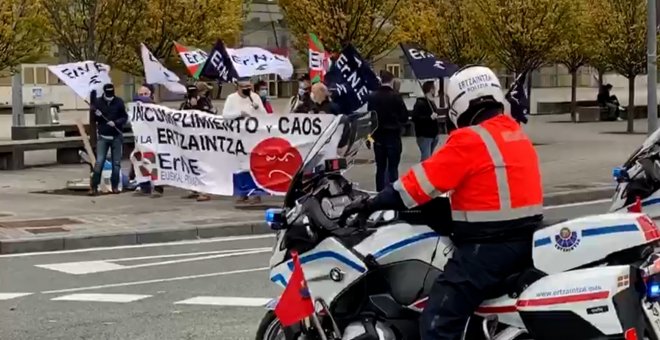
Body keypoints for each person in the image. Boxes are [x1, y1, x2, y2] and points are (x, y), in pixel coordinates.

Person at [342, 65, 543, 340]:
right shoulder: (513, 132)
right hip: (522, 239)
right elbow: (490, 193)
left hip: (488, 249)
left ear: (459, 101)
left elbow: (417, 184)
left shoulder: (470, 139)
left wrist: (373, 202)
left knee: (437, 320)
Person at [223, 77, 268, 205]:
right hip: (238, 136)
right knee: (240, 165)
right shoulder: (231, 98)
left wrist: (257, 108)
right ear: (238, 87)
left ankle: (256, 193)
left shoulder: (255, 97)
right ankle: (242, 193)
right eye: (244, 87)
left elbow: (264, 116)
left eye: (249, 87)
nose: (247, 90)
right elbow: (225, 115)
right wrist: (239, 113)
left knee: (253, 165)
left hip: (253, 136)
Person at [367, 70, 409, 191]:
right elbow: (404, 117)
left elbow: (371, 117)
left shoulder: (373, 97)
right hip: (393, 136)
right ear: (391, 81)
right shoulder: (396, 96)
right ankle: (392, 192)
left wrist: (369, 137)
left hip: (378, 136)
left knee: (380, 167)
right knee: (392, 167)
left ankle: (379, 191)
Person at [89, 83, 128, 196]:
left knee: (116, 163)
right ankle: (94, 186)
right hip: (103, 136)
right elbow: (94, 118)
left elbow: (124, 117)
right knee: (99, 162)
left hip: (116, 136)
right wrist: (97, 114)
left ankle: (114, 186)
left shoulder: (119, 102)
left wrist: (115, 122)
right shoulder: (98, 102)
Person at [131, 85, 165, 197]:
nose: (143, 97)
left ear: (151, 95)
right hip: (140, 142)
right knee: (138, 162)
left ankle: (158, 187)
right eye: (141, 94)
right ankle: (144, 186)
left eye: (146, 94)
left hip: (152, 142)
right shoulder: (135, 109)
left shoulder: (157, 109)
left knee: (153, 163)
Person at [412, 81, 441, 161]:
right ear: (431, 90)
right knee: (426, 158)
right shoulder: (420, 103)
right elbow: (415, 118)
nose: (435, 90)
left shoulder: (431, 102)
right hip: (424, 135)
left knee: (429, 158)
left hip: (433, 134)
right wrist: (429, 118)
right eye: (434, 88)